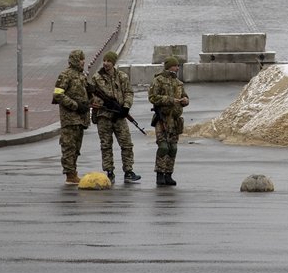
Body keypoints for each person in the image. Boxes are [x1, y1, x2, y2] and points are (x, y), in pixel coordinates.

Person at [89, 51, 140, 184]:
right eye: (104, 61)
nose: (105, 63)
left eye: (108, 61)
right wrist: (101, 104)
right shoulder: (96, 78)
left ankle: (128, 171)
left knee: (126, 144)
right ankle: (109, 171)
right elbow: (90, 96)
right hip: (103, 116)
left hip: (119, 116)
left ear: (113, 63)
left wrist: (126, 107)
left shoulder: (122, 76)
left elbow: (128, 92)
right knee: (106, 145)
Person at [147, 55, 189, 186]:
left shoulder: (178, 83)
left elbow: (185, 97)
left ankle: (168, 174)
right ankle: (159, 174)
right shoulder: (158, 80)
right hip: (162, 119)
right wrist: (170, 100)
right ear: (169, 66)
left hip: (175, 121)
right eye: (175, 65)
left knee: (173, 148)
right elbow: (153, 97)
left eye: (177, 66)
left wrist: (185, 101)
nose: (177, 68)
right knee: (163, 147)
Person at [52, 49, 91, 184]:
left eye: (83, 59)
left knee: (76, 147)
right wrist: (75, 105)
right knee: (69, 146)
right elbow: (58, 94)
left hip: (81, 118)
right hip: (69, 118)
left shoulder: (82, 75)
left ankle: (73, 171)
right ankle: (70, 174)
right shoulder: (65, 75)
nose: (83, 61)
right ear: (75, 60)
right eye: (80, 59)